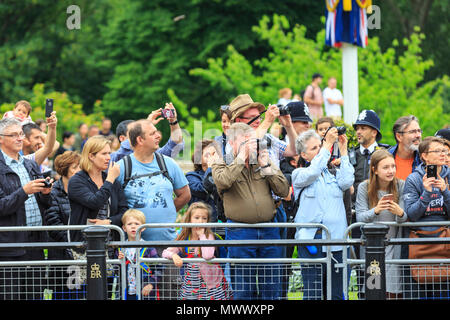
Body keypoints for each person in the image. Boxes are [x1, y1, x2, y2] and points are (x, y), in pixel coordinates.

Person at [210, 122, 290, 300]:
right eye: (246, 140)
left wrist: (266, 166)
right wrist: (241, 158)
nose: (252, 144)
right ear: (231, 142)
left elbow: (283, 191)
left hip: (269, 229)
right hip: (241, 231)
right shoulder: (220, 161)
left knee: (271, 287)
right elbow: (223, 182)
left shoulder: (262, 161)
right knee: (243, 288)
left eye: (253, 140)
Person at [115, 119, 190, 299]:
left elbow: (185, 195)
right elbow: (114, 204)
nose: (159, 135)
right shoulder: (122, 166)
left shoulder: (168, 163)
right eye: (153, 133)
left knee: (170, 294)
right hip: (136, 249)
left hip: (168, 246)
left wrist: (166, 212)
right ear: (140, 140)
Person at [292, 129, 354, 300]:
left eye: (321, 146)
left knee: (338, 293)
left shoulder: (333, 172)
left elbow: (348, 181)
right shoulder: (299, 175)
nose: (320, 150)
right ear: (304, 155)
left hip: (337, 241)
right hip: (312, 242)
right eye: (314, 148)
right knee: (313, 293)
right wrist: (327, 145)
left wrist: (343, 150)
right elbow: (314, 171)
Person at [0, 117, 53, 300]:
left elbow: (46, 205)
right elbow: (2, 206)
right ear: (1, 138)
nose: (19, 138)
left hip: (36, 243)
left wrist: (46, 193)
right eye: (13, 135)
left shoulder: (29, 163)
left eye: (21, 134)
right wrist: (24, 191)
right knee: (11, 295)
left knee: (35, 295)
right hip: (10, 246)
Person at [355, 149, 407, 299]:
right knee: (374, 287)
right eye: (386, 167)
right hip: (372, 247)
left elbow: (404, 219)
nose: (391, 171)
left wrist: (400, 213)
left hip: (394, 245)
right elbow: (360, 217)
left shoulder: (401, 185)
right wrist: (376, 211)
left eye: (393, 166)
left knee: (393, 291)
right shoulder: (364, 187)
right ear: (374, 170)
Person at [403, 136, 450, 299]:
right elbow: (412, 215)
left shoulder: (448, 177)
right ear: (424, 155)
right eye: (437, 151)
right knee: (418, 294)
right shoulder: (414, 179)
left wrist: (445, 191)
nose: (443, 154)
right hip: (419, 243)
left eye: (444, 151)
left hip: (445, 243)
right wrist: (427, 192)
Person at [67, 135, 128, 249]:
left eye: (109, 153)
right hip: (84, 246)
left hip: (111, 245)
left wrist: (109, 222)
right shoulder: (77, 180)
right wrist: (110, 179)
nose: (109, 158)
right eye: (104, 154)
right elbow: (95, 202)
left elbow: (124, 210)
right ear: (91, 156)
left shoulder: (111, 179)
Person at [162, 202, 232, 300]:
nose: (201, 221)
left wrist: (202, 236)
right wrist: (174, 255)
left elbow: (207, 255)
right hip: (191, 283)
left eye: (204, 218)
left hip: (209, 284)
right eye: (197, 217)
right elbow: (165, 252)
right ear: (189, 220)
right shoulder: (184, 238)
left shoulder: (208, 237)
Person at [43, 150, 81, 299]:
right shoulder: (53, 192)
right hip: (61, 254)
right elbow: (53, 222)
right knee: (62, 294)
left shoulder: (82, 190)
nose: (79, 171)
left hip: (81, 255)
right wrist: (74, 241)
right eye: (75, 167)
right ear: (64, 169)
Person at [117, 209, 161, 300]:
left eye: (137, 224)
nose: (133, 227)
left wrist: (151, 284)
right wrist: (118, 261)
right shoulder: (120, 249)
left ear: (143, 227)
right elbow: (115, 270)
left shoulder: (149, 248)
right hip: (125, 292)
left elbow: (159, 268)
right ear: (124, 228)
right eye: (129, 224)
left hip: (144, 293)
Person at [185, 139, 221, 224]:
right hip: (201, 224)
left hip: (221, 226)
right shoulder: (191, 177)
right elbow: (203, 190)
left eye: (214, 154)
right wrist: (210, 168)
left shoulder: (222, 175)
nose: (212, 158)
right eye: (208, 155)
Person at [388, 115, 422, 181]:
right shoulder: (383, 158)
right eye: (412, 132)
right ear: (399, 137)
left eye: (419, 131)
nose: (418, 135)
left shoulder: (425, 160)